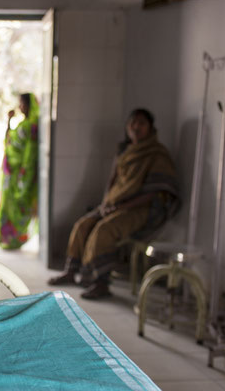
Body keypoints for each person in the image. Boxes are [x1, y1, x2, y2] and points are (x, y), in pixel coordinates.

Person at [48, 108, 179, 299]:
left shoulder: (157, 154)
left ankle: (101, 283)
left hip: (140, 208)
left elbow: (155, 192)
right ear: (127, 127)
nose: (136, 127)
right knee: (83, 225)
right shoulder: (123, 151)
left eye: (141, 123)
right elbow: (112, 181)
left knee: (104, 230)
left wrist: (121, 207)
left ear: (151, 128)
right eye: (132, 123)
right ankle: (71, 271)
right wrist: (105, 203)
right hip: (114, 205)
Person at [0, 93, 39, 249]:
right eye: (19, 104)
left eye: (22, 104)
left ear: (29, 104)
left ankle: (16, 239)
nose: (20, 107)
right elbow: (9, 141)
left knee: (19, 207)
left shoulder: (32, 126)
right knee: (7, 206)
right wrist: (9, 121)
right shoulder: (21, 125)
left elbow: (30, 154)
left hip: (20, 175)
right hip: (10, 174)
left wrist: (23, 176)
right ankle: (6, 239)